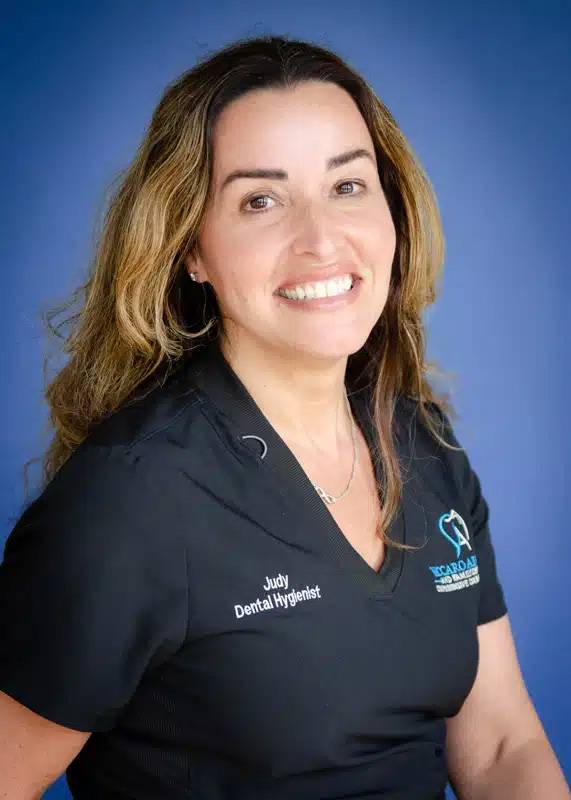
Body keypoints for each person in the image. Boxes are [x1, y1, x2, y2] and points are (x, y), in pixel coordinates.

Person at [0, 34, 568, 800]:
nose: (320, 238)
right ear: (189, 249)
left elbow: (501, 745)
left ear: (393, 210)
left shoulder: (422, 446)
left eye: (347, 186)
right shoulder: (130, 505)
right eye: (260, 200)